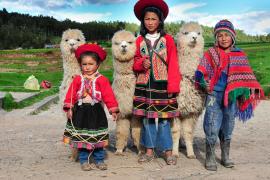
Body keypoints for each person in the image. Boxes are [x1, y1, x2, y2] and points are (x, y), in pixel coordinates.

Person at [195, 20, 264, 171]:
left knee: (228, 126)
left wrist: (244, 92)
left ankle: (225, 155)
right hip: (214, 94)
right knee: (212, 125)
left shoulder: (239, 55)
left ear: (233, 37)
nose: (224, 38)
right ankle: (210, 156)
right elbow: (200, 71)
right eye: (220, 35)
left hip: (231, 98)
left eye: (227, 35)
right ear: (216, 38)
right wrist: (202, 81)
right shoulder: (211, 53)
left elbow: (246, 77)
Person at [132, 0, 181, 165]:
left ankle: (168, 152)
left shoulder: (168, 40)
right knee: (148, 119)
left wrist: (173, 86)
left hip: (163, 84)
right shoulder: (139, 41)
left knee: (165, 119)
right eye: (147, 19)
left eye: (154, 19)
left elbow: (173, 63)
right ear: (142, 21)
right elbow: (135, 61)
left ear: (160, 20)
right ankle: (149, 150)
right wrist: (141, 64)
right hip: (144, 85)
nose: (150, 22)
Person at [62, 43, 119, 171]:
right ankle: (84, 160)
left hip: (96, 112)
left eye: (90, 64)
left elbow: (108, 96)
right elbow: (70, 95)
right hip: (80, 112)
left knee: (97, 137)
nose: (87, 67)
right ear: (80, 64)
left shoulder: (101, 80)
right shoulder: (77, 79)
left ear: (97, 64)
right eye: (84, 64)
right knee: (83, 137)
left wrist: (113, 110)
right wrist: (69, 108)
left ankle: (99, 160)